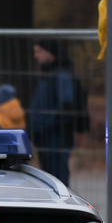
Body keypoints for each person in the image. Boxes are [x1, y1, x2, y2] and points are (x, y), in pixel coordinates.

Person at [29, 40, 86, 185]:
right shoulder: (47, 75)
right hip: (45, 138)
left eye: (39, 51)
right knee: (47, 178)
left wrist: (47, 125)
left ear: (50, 53)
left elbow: (65, 107)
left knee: (57, 180)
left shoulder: (61, 76)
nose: (36, 56)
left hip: (56, 137)